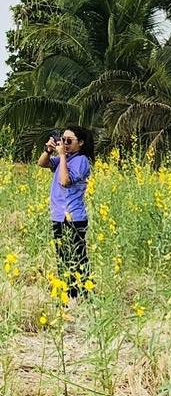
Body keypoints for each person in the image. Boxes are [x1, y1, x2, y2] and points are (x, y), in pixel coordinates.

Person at [38, 124, 93, 299]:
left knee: (77, 259)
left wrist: (61, 155)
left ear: (81, 143)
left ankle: (83, 295)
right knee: (62, 258)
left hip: (74, 217)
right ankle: (68, 296)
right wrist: (48, 150)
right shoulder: (65, 159)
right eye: (63, 140)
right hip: (58, 216)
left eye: (69, 140)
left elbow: (64, 181)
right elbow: (42, 163)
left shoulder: (81, 160)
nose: (65, 143)